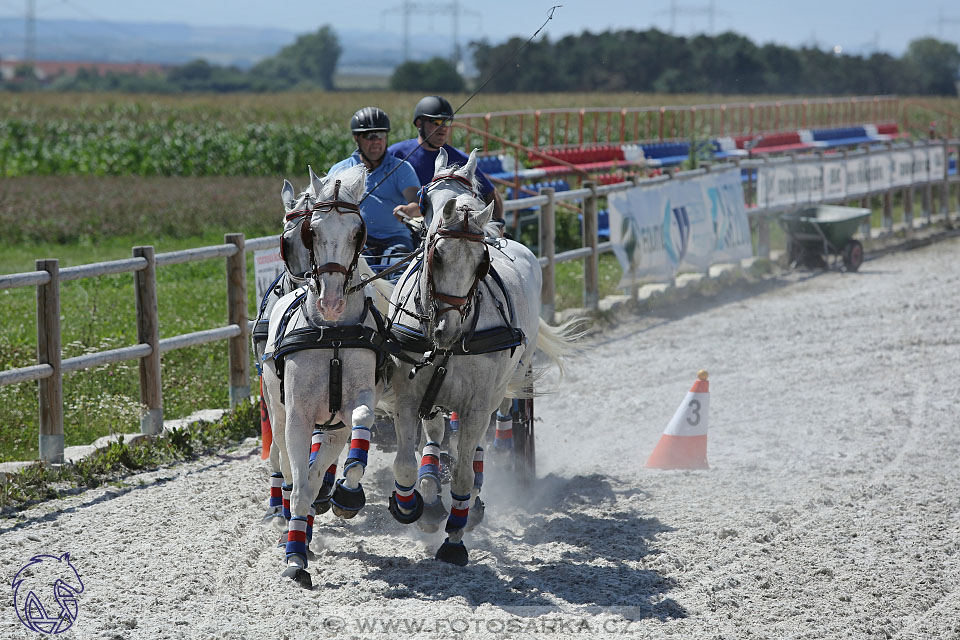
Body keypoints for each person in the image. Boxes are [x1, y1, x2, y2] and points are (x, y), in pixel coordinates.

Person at [388, 95, 504, 225]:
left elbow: (490, 194)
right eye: (436, 122)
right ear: (419, 124)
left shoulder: (461, 160)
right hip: (400, 225)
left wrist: (499, 225)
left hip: (445, 233)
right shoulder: (395, 153)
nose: (443, 127)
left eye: (447, 122)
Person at [328, 106, 421, 259]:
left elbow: (417, 203)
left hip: (396, 239)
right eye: (370, 135)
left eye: (381, 134)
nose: (376, 141)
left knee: (396, 267)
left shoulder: (401, 168)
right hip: (356, 239)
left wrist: (409, 209)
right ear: (356, 138)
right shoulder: (340, 170)